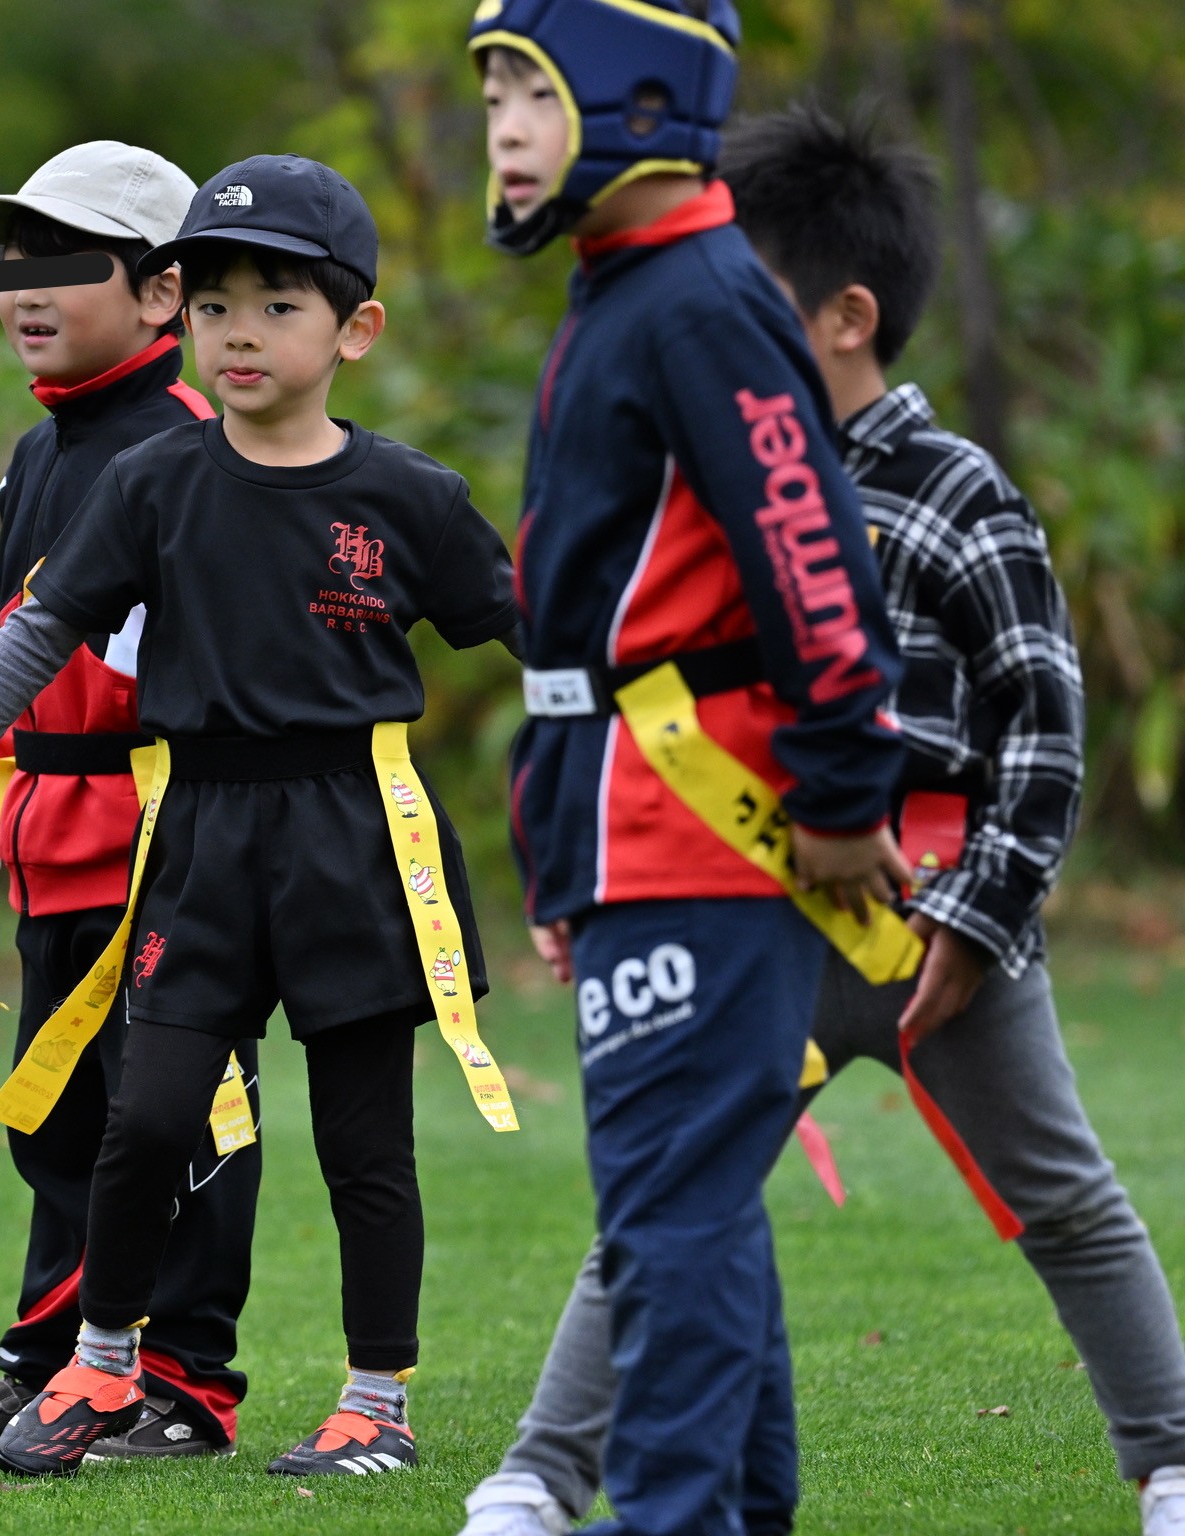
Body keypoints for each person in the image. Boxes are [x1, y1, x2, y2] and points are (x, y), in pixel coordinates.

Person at [459, 106, 1185, 1536]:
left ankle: (1171, 1457)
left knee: (1067, 1199)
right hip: (737, 910)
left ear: (847, 318)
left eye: (751, 297)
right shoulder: (690, 486)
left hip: (937, 932)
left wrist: (980, 917)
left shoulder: (961, 490)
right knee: (673, 1195)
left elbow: (1042, 723)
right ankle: (541, 1476)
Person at [0, 153, 522, 1478]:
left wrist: (624, 738)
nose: (242, 332)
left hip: (357, 838)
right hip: (196, 841)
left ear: (356, 328)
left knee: (365, 1146)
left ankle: (375, 1405)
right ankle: (102, 1370)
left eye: (279, 306)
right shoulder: (155, 482)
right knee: (151, 1118)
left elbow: (534, 631)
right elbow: (46, 626)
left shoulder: (410, 496)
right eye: (219, 305)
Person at [467, 4, 916, 1532]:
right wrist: (560, 856)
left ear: (642, 96)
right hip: (622, 831)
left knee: (673, 1211)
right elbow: (580, 630)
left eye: (531, 89)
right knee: (689, 1205)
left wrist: (843, 792)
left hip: (701, 830)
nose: (502, 125)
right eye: (491, 93)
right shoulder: (622, 287)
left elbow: (814, 561)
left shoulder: (703, 302)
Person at [0, 141, 263, 1464]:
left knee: (187, 1113)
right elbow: (32, 643)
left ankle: (184, 1386)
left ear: (163, 294)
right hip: (60, 837)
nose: (28, 290)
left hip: (178, 840)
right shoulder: (38, 453)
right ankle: (48, 1369)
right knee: (59, 1118)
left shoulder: (200, 449)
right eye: (14, 263)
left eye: (67, 261)